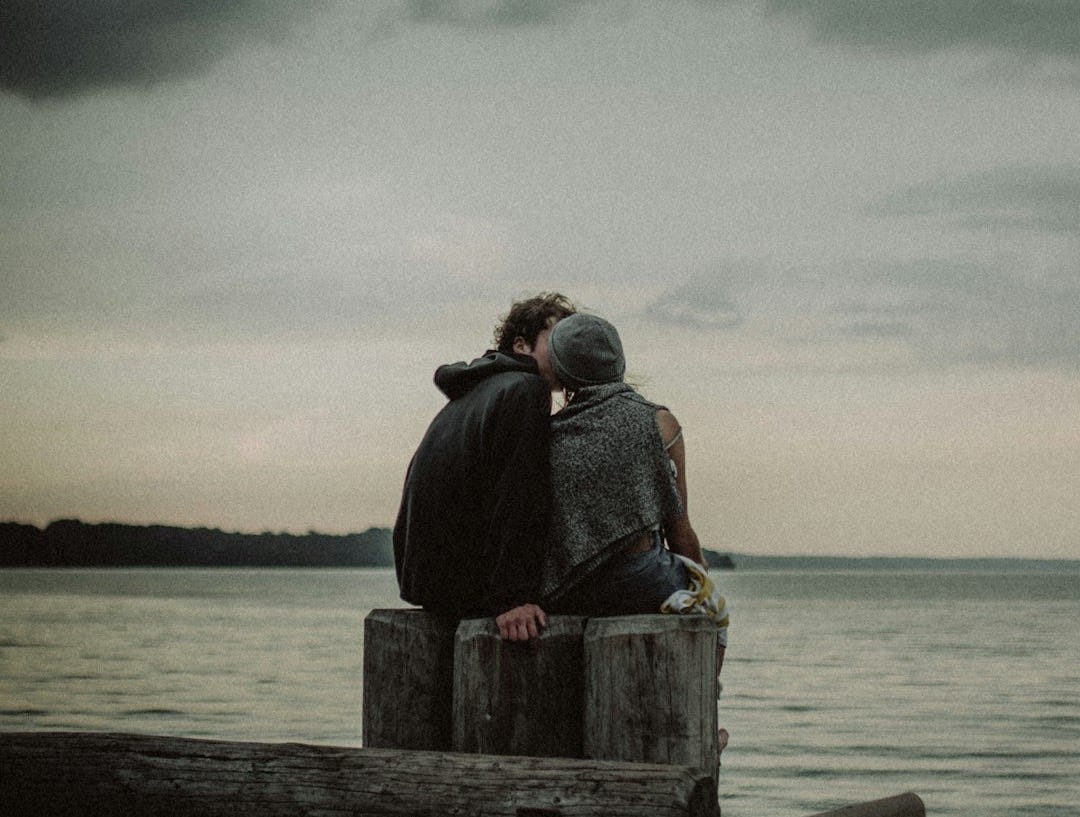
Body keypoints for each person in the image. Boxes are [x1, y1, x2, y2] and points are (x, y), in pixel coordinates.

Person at [538, 313, 728, 671]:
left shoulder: (547, 434)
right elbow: (679, 528)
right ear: (620, 362)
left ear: (561, 371)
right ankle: (709, 709)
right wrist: (698, 572)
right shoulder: (658, 423)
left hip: (565, 590)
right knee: (715, 615)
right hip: (640, 579)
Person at [393, 292, 576, 641]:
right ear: (521, 346)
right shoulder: (526, 389)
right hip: (465, 585)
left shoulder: (477, 392)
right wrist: (513, 598)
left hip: (426, 581)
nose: (568, 351)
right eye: (557, 341)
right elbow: (518, 493)